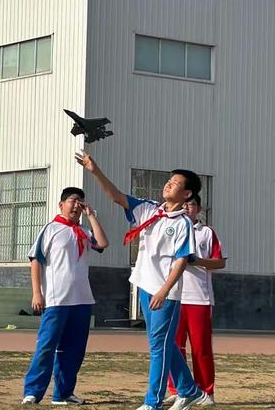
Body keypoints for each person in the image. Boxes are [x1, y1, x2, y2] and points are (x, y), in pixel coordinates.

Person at [75, 151, 210, 410]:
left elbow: (182, 260)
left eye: (175, 183)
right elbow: (117, 197)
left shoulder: (182, 223)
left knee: (158, 347)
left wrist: (164, 290)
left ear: (187, 195)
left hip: (165, 294)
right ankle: (189, 390)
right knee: (163, 344)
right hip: (146, 286)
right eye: (168, 180)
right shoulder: (149, 209)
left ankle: (153, 402)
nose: (168, 184)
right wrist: (95, 170)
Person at [21, 187, 109, 405]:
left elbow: (103, 243)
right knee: (47, 346)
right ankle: (32, 392)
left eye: (80, 201)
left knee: (74, 350)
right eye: (72, 200)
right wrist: (37, 293)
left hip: (82, 299)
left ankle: (63, 393)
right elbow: (35, 261)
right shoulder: (51, 229)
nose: (76, 205)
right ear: (61, 205)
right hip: (56, 300)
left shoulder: (84, 231)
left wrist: (91, 216)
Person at [166, 195, 227, 407]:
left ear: (198, 208)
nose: (186, 208)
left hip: (199, 298)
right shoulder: (172, 228)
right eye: (183, 205)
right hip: (174, 296)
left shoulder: (207, 232)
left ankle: (206, 390)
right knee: (174, 346)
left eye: (190, 205)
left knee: (200, 348)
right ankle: (178, 389)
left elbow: (220, 263)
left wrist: (198, 261)